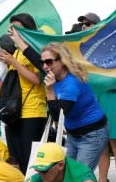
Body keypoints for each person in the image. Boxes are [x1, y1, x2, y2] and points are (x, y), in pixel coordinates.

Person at [41, 42, 108, 171]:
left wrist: (49, 91)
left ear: (62, 60)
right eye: (42, 62)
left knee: (80, 176)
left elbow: (57, 116)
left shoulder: (71, 83)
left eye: (49, 62)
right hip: (73, 135)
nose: (44, 66)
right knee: (67, 174)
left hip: (92, 134)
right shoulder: (55, 76)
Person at [1, 13, 48, 171]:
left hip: (32, 111)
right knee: (17, 158)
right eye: (12, 28)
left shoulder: (35, 51)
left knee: (31, 159)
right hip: (14, 112)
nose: (14, 32)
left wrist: (14, 62)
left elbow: (37, 79)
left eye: (19, 29)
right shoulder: (15, 52)